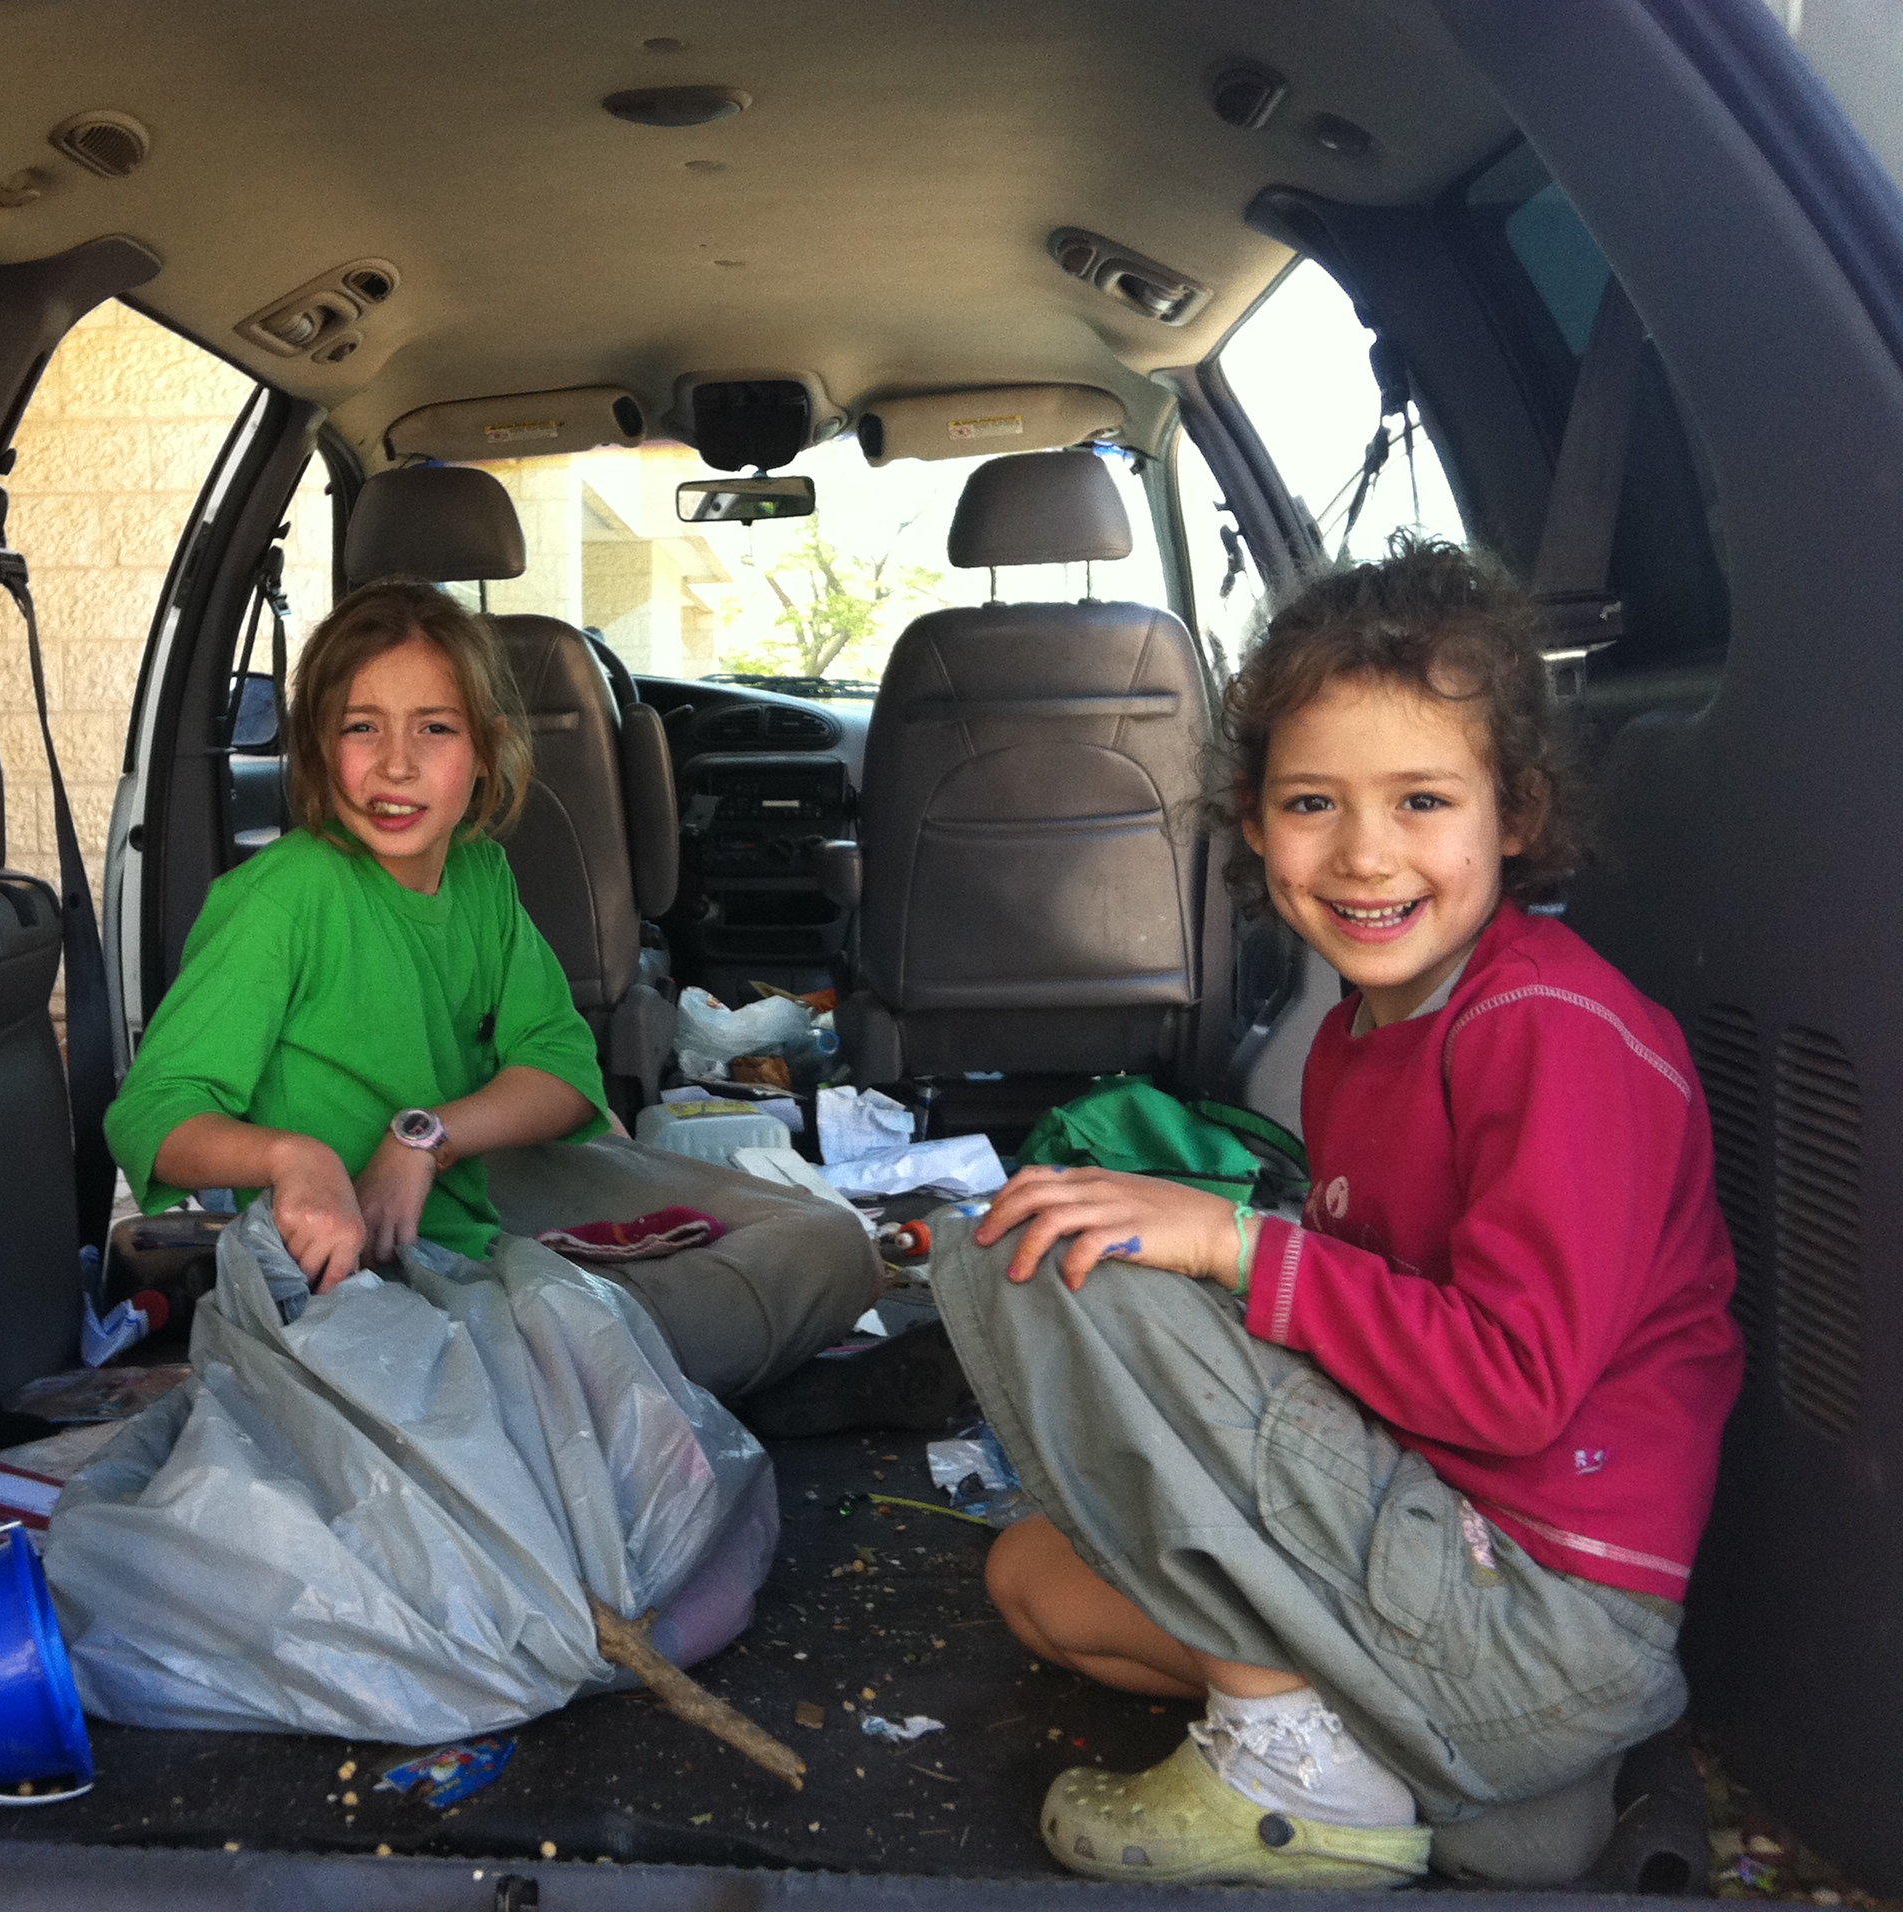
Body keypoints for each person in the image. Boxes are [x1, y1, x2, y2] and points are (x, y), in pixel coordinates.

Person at [946, 538, 1743, 1888]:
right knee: (1034, 1577)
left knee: (1027, 1251)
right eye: (1313, 802)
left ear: (1515, 813)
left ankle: (1296, 1774)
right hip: (1449, 1563)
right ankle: (1450, 1779)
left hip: (1538, 1609)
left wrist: (1231, 1246)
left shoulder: (1553, 1032)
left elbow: (1511, 1385)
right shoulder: (1360, 1033)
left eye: (1422, 799)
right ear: (1255, 824)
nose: (1366, 853)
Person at [103, 575, 877, 1397]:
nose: (396, 764)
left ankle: (596, 1380)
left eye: (435, 728)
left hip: (477, 1181)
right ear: (320, 747)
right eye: (361, 727)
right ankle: (604, 1381)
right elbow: (155, 1112)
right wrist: (295, 1158)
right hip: (373, 1263)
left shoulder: (481, 875)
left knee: (833, 1242)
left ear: (485, 748)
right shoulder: (280, 900)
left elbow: (560, 1070)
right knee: (532, 1358)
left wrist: (422, 1140)